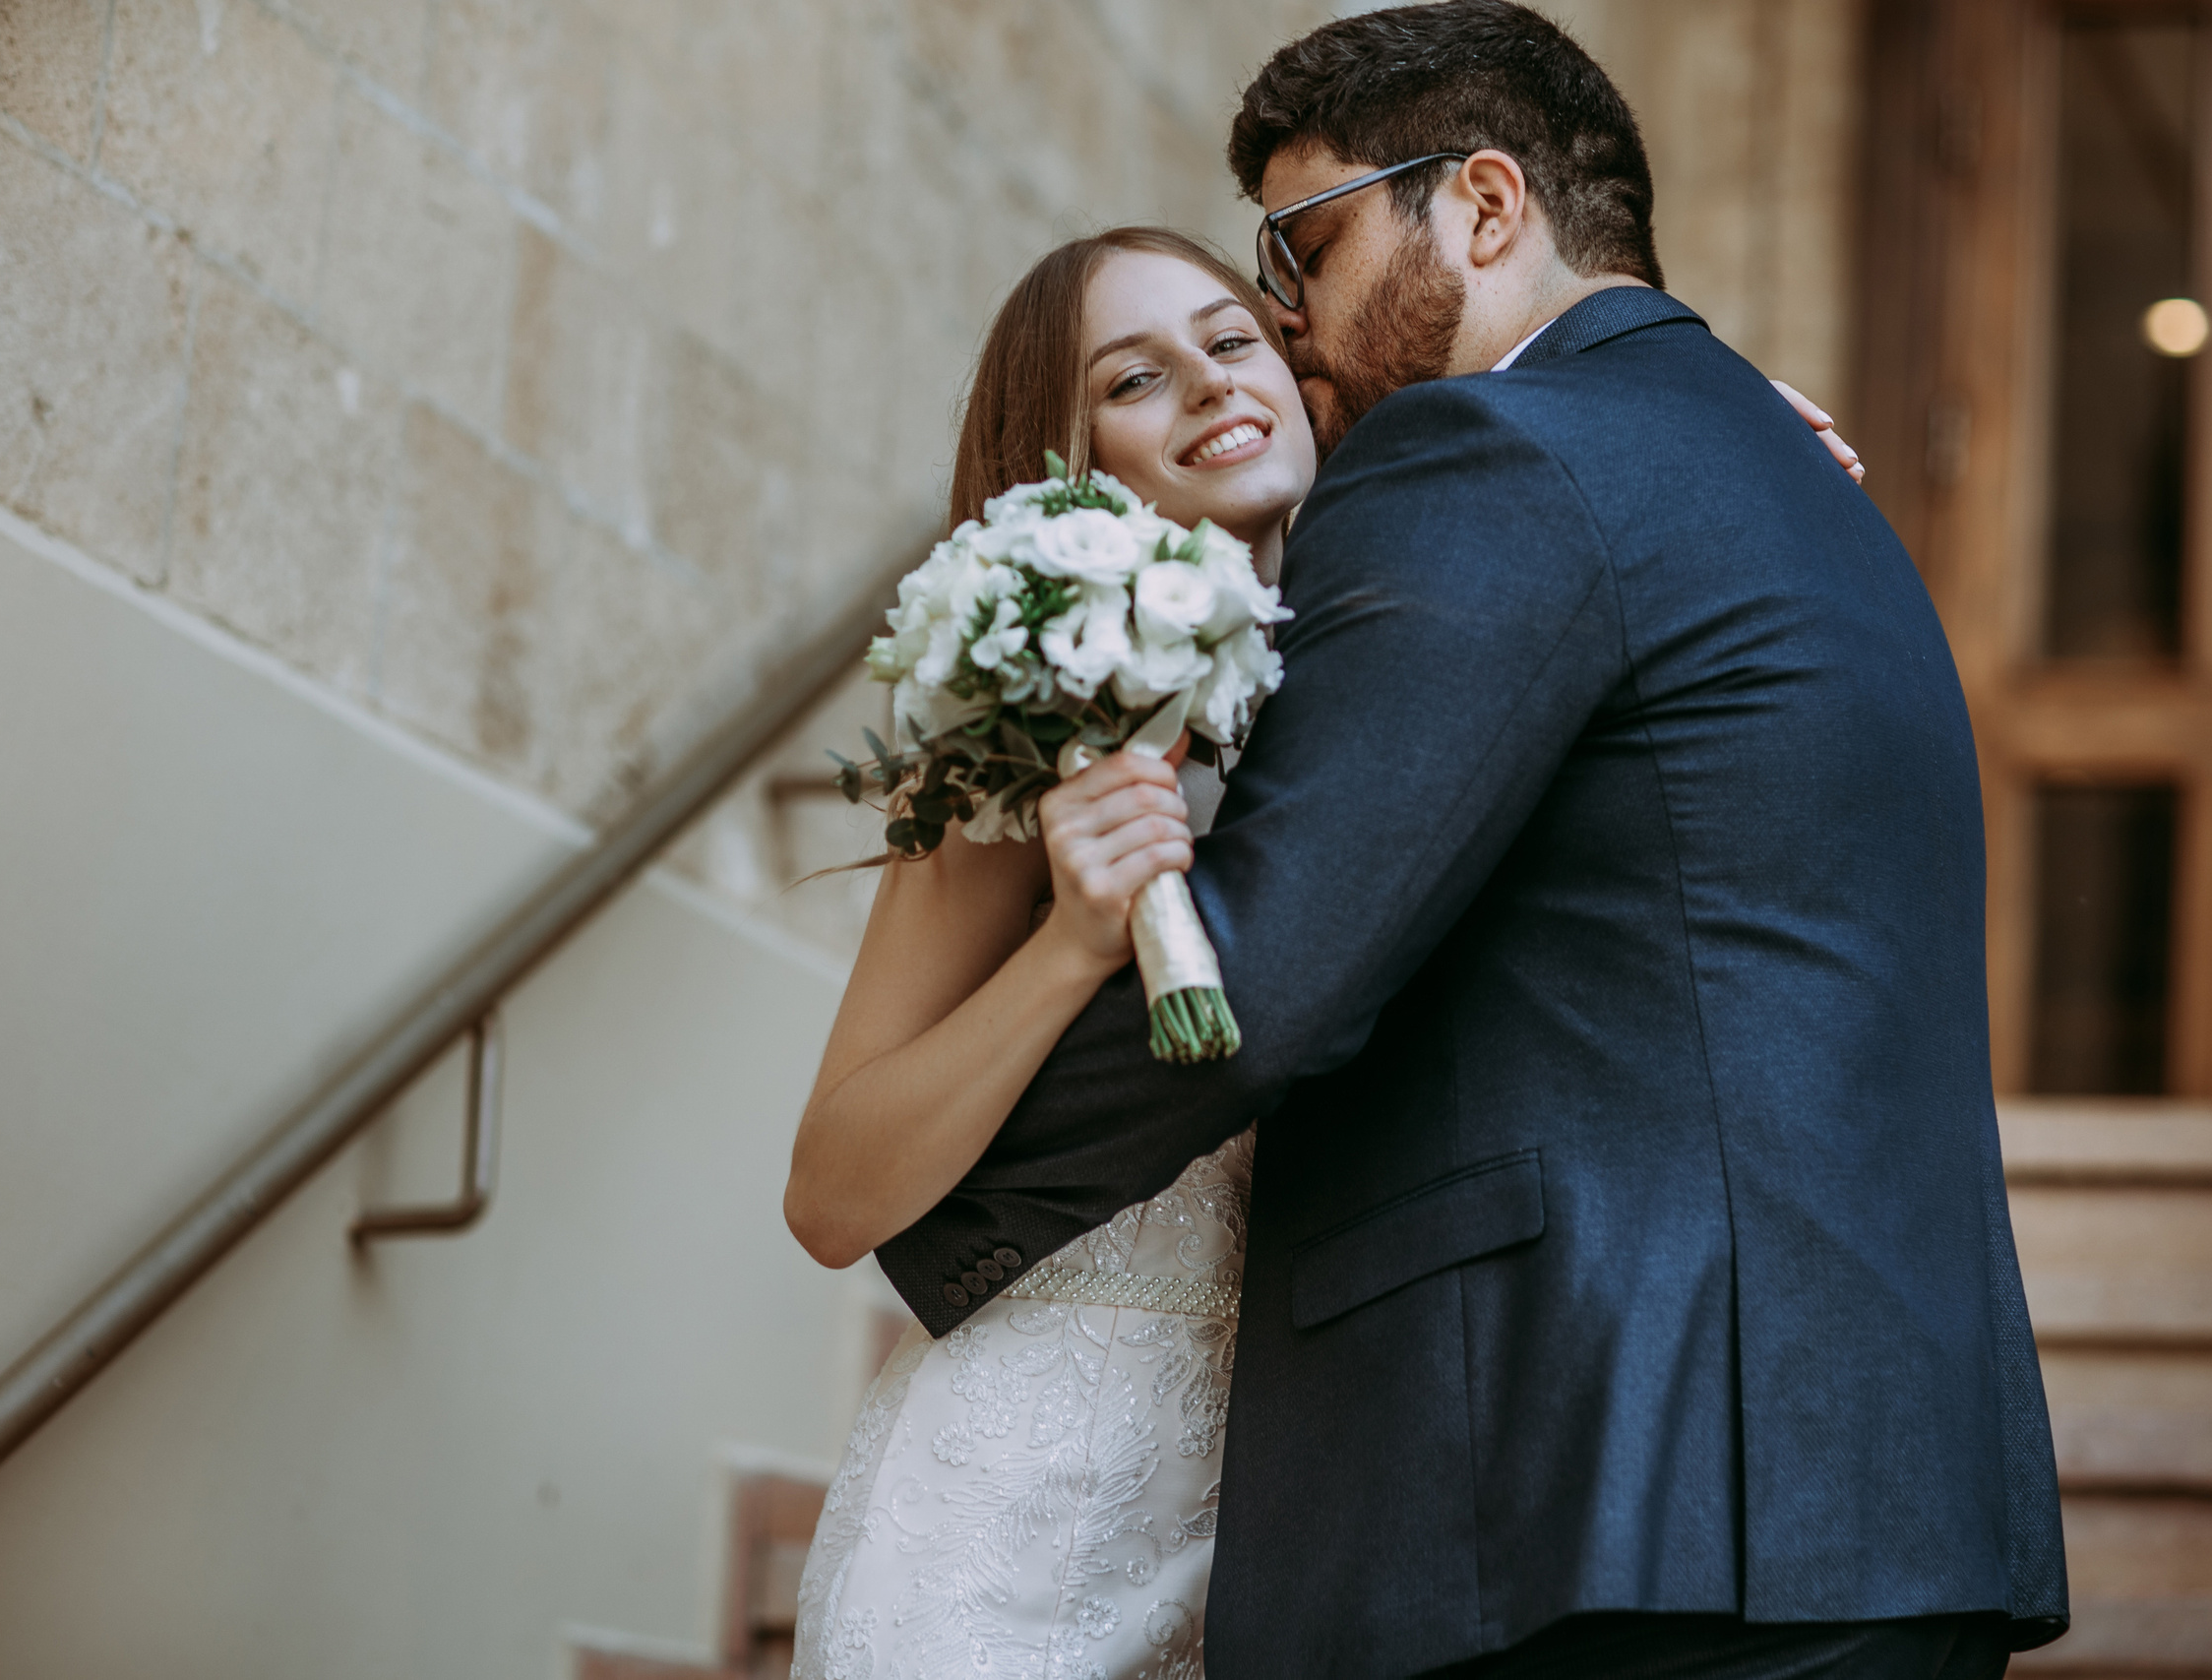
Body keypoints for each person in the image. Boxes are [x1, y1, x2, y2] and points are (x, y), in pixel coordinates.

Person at [868, 5, 2068, 1679]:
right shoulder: (1762, 466)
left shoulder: (1501, 451)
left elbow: (1274, 976)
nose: (1287, 322)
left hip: (1633, 1509)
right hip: (1868, 1487)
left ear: (1485, 206)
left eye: (1307, 247)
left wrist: (948, 1217)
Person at [784, 221, 1862, 1675]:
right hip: (1028, 1500)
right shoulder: (1021, 739)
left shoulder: (1394, 662)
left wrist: (1701, 444)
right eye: (1135, 379)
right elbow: (831, 1193)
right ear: (1065, 450)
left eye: (1233, 344)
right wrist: (1069, 949)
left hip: (1296, 1503)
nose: (1210, 386)